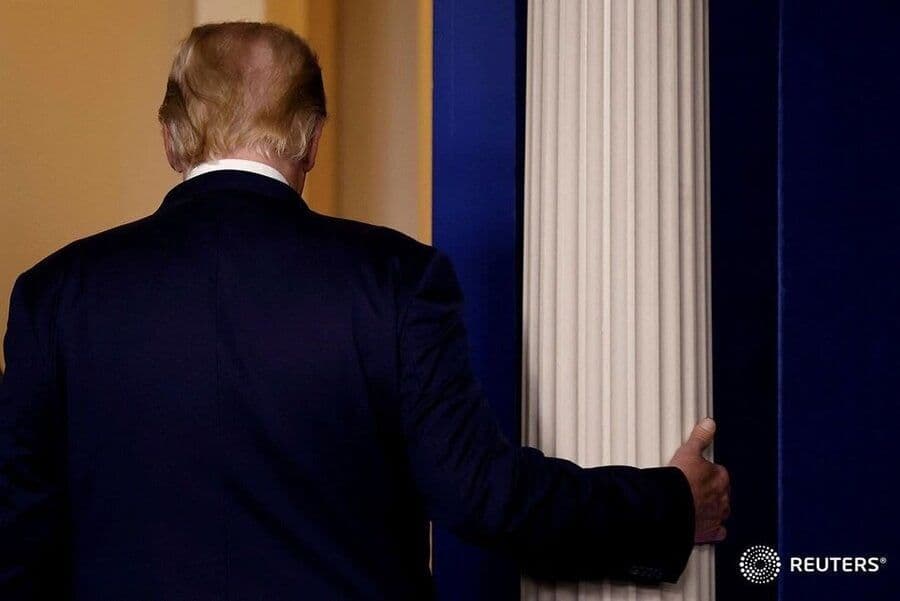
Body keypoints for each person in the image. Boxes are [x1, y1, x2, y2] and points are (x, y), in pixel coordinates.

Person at [0, 22, 729, 600]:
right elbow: (479, 494)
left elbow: (18, 532)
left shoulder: (53, 294)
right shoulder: (395, 278)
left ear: (170, 136)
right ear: (313, 138)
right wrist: (666, 503)